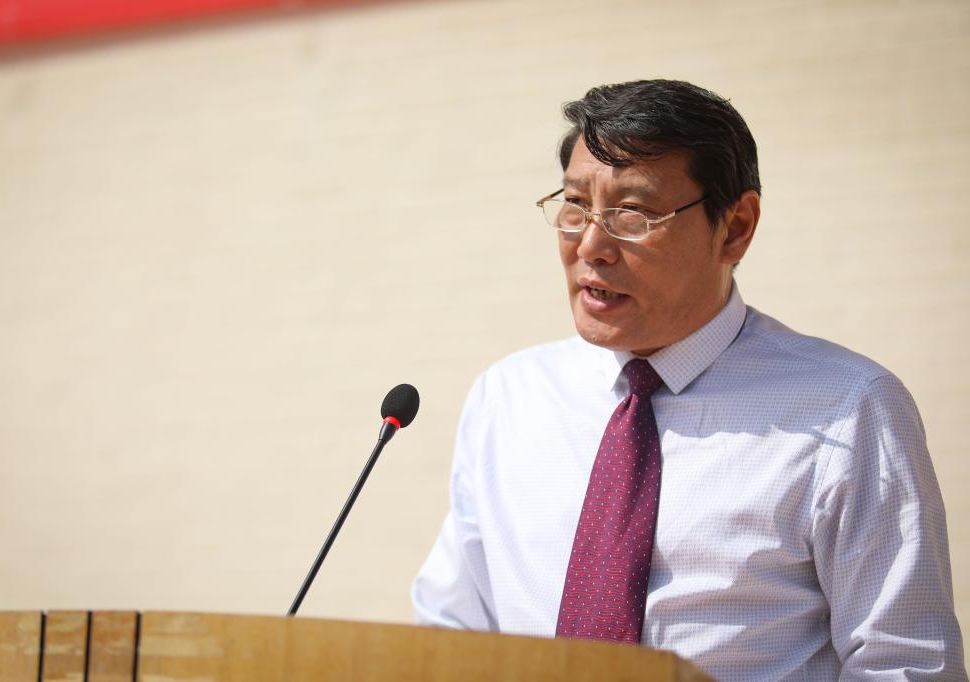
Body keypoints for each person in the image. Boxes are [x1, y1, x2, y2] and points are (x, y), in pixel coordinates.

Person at [411, 79, 966, 680]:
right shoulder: (509, 396)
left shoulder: (848, 409)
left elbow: (904, 664)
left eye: (632, 213)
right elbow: (452, 632)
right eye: (574, 205)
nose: (591, 246)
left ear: (735, 228)